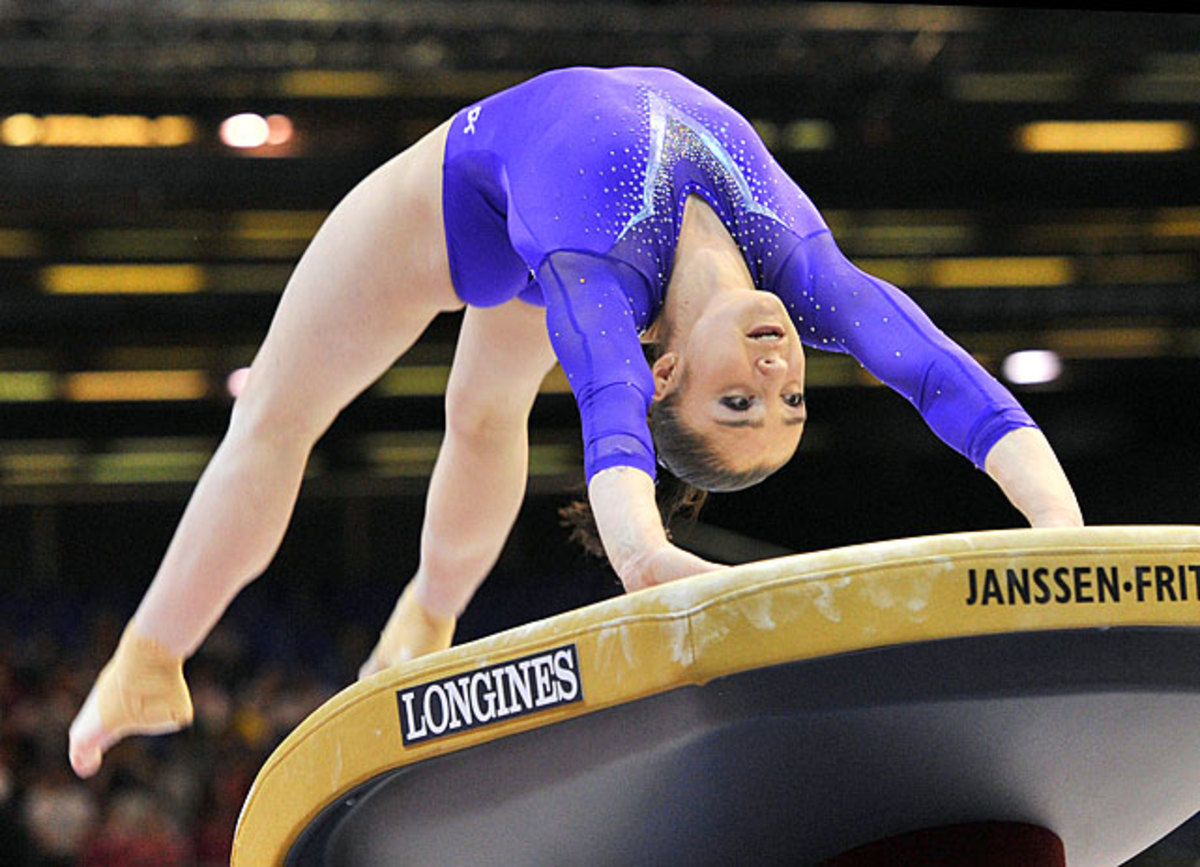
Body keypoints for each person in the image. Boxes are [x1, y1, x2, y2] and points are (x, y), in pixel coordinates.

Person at [68, 66, 1083, 779]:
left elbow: (631, 520)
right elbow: (956, 386)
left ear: (667, 371)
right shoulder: (804, 277)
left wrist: (752, 606)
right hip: (521, 193)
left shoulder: (599, 290)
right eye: (790, 402)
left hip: (453, 206)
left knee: (311, 418)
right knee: (465, 411)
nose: (778, 375)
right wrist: (1068, 545)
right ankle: (391, 623)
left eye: (739, 404)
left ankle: (150, 659)